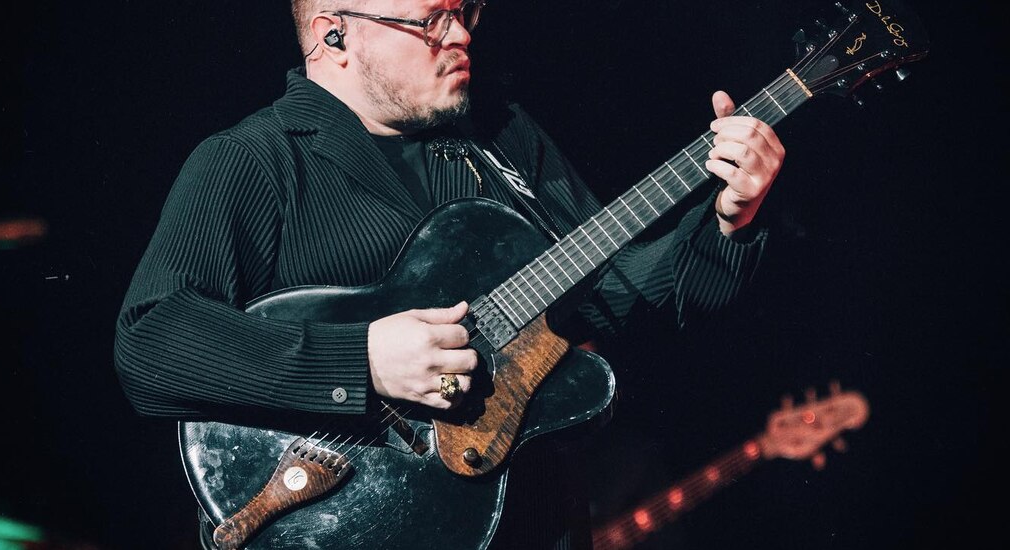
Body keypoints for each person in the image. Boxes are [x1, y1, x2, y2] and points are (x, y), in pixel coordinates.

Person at [113, 1, 785, 548]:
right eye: (430, 19)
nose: (460, 34)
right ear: (334, 34)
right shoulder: (253, 160)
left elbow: (615, 294)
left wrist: (730, 219)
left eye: (465, 11)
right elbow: (150, 343)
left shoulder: (504, 140)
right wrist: (362, 361)